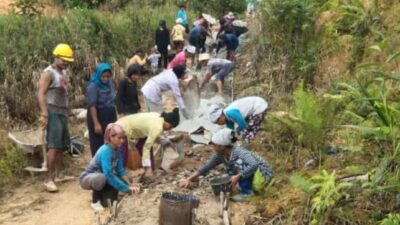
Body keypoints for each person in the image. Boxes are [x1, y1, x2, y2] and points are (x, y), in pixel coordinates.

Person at [180, 128, 272, 201]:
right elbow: (206, 167)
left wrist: (239, 176)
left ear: (222, 146)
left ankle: (248, 193)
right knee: (229, 172)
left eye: (214, 145)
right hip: (252, 174)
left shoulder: (239, 152)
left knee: (239, 164)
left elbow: (254, 164)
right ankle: (243, 186)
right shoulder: (220, 155)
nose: (212, 147)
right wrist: (188, 179)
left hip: (262, 174)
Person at [38, 43, 74, 192]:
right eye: (63, 59)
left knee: (60, 145)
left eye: (67, 60)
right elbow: (41, 94)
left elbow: (63, 94)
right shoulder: (49, 73)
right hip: (52, 112)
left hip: (61, 112)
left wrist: (69, 110)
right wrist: (44, 113)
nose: (66, 63)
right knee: (53, 146)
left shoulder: (62, 73)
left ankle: (59, 174)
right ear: (56, 57)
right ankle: (48, 179)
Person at [80, 123, 140, 211]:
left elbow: (120, 170)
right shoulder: (106, 150)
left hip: (103, 176)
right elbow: (108, 174)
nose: (122, 141)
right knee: (102, 178)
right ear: (111, 137)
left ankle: (103, 193)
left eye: (123, 138)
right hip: (88, 178)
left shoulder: (117, 148)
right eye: (119, 138)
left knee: (127, 180)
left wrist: (129, 184)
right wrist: (126, 188)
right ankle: (95, 201)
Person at [116, 109, 180, 177]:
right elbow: (147, 147)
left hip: (130, 126)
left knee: (144, 144)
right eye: (170, 126)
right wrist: (148, 166)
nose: (169, 129)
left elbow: (153, 136)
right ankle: (119, 176)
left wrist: (166, 141)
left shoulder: (158, 116)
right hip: (122, 128)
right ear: (167, 121)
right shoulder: (158, 127)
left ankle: (151, 170)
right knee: (122, 154)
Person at [87, 63, 118, 157]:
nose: (105, 79)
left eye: (108, 76)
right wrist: (96, 123)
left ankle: (109, 162)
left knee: (111, 138)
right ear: (98, 75)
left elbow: (112, 100)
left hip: (110, 114)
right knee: (98, 142)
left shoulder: (109, 84)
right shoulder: (93, 86)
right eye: (103, 76)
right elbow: (92, 105)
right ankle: (98, 166)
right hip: (98, 115)